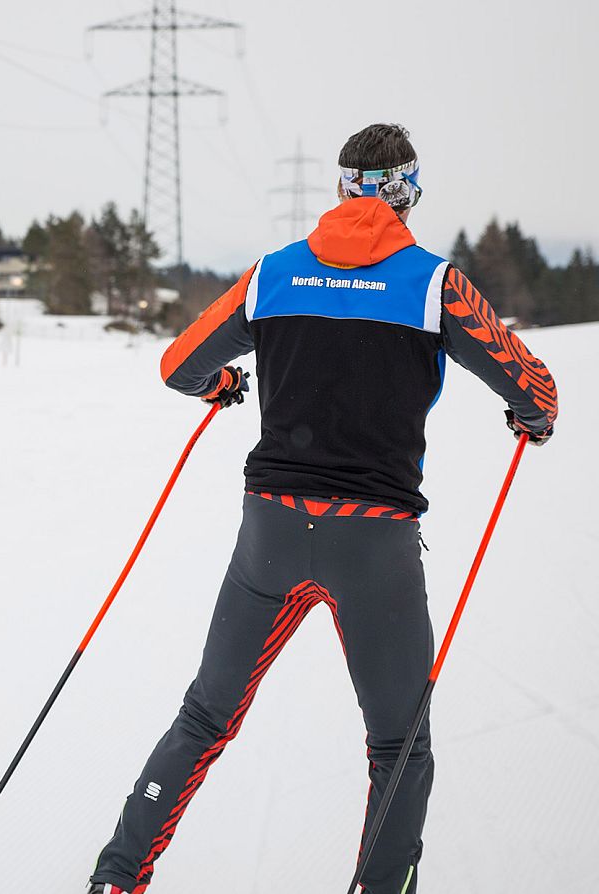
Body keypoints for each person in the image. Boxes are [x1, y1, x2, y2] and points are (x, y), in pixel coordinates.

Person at [87, 123, 557, 894]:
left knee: (204, 718)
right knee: (398, 747)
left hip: (271, 533)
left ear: (341, 189)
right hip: (374, 545)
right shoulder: (434, 285)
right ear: (407, 194)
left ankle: (116, 878)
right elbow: (535, 389)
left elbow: (179, 366)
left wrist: (221, 386)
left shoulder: (272, 274)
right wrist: (531, 420)